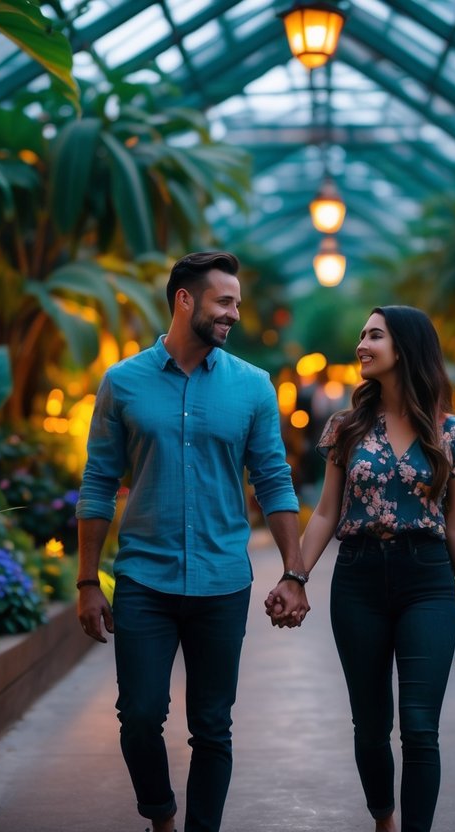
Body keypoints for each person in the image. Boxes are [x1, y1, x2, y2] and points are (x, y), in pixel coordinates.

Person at [75, 251, 310, 832]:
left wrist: (294, 572)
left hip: (222, 581)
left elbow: (274, 480)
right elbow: (99, 483)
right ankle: (161, 818)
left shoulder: (253, 387)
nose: (233, 314)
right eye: (224, 302)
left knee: (212, 725)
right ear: (185, 300)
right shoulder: (122, 382)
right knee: (139, 716)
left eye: (236, 304)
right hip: (143, 581)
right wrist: (86, 581)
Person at [268, 305, 455, 832]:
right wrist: (295, 575)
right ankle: (384, 819)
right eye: (362, 334)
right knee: (370, 726)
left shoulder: (452, 432)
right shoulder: (346, 426)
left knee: (419, 727)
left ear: (405, 347)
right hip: (359, 580)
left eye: (374, 336)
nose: (362, 344)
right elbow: (325, 512)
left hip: (427, 582)